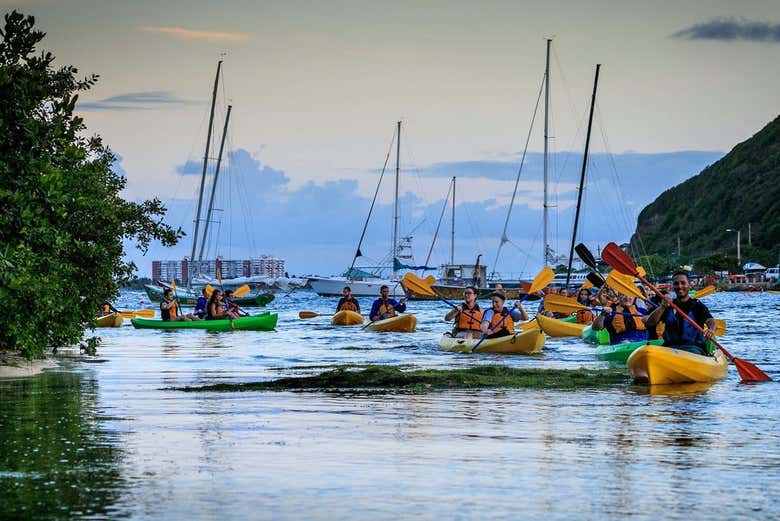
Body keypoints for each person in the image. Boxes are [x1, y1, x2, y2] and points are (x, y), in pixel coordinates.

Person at [644, 271, 717, 355]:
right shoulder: (668, 305)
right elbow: (649, 324)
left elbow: (710, 320)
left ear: (689, 285)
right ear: (673, 286)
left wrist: (711, 329)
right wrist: (662, 307)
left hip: (693, 348)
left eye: (683, 283)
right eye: (676, 283)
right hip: (670, 348)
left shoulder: (698, 306)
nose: (679, 286)